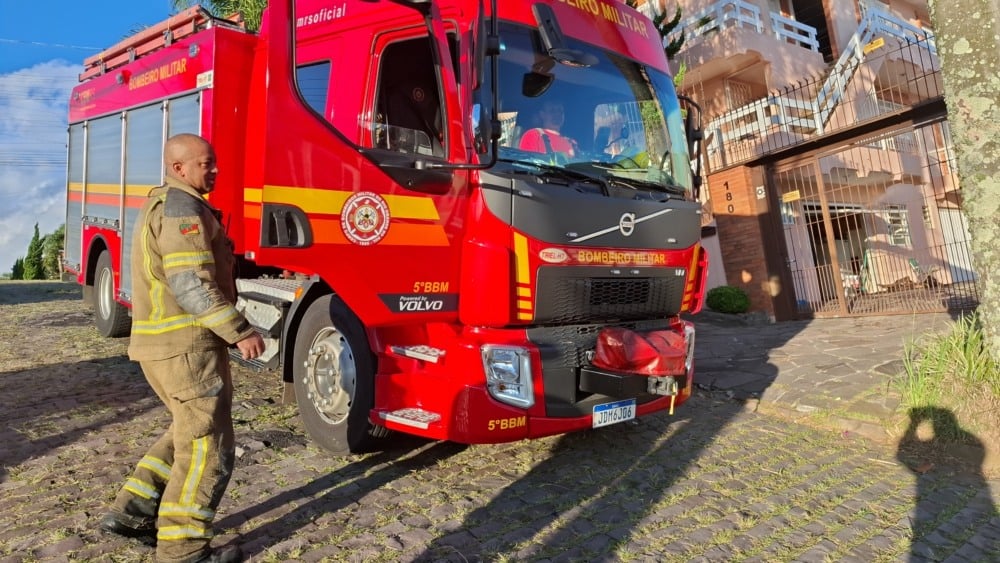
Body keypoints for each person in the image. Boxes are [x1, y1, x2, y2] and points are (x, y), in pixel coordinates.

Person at [99, 133, 265, 563]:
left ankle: (133, 510)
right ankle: (183, 549)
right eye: (206, 163)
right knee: (206, 448)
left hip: (165, 347)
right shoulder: (183, 210)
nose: (215, 170)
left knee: (186, 430)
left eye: (214, 162)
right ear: (179, 168)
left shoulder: (167, 204)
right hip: (187, 349)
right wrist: (239, 330)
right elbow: (191, 284)